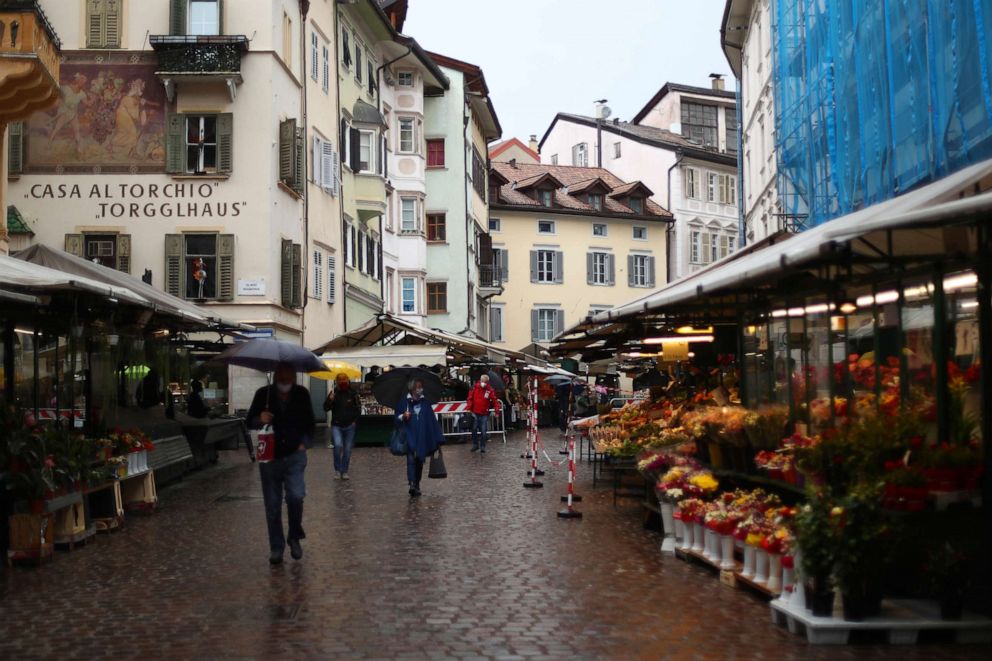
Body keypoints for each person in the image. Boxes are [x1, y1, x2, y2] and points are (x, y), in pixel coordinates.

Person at [247, 364, 315, 565]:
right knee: (273, 504)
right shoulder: (263, 394)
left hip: (295, 454)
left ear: (294, 377)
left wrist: (305, 443)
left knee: (296, 496)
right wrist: (260, 419)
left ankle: (294, 535)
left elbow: (310, 423)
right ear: (276, 376)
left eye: (289, 377)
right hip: (270, 456)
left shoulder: (301, 394)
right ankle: (276, 547)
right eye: (282, 377)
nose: (285, 381)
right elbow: (249, 421)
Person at [395, 378, 443, 497]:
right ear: (412, 388)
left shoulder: (425, 403)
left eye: (421, 386)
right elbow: (396, 418)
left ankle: (417, 483)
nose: (420, 389)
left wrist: (437, 437)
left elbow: (431, 420)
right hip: (410, 436)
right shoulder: (403, 402)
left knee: (419, 461)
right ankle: (411, 483)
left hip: (422, 436)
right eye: (418, 387)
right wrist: (403, 416)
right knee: (411, 459)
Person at [323, 372, 361, 480]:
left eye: (344, 379)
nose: (342, 381)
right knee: (338, 446)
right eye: (340, 379)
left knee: (348, 449)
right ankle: (337, 470)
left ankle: (344, 471)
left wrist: (355, 421)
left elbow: (359, 408)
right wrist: (329, 400)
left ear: (348, 380)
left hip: (350, 425)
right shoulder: (334, 393)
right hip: (337, 425)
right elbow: (326, 408)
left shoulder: (353, 393)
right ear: (337, 381)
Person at [466, 374, 498, 453]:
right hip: (475, 412)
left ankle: (482, 446)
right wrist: (469, 408)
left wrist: (497, 411)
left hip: (484, 413)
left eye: (485, 382)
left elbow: (495, 401)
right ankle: (475, 444)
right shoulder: (474, 388)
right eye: (483, 381)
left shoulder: (489, 390)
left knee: (483, 431)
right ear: (480, 380)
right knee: (474, 429)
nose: (483, 383)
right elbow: (470, 399)